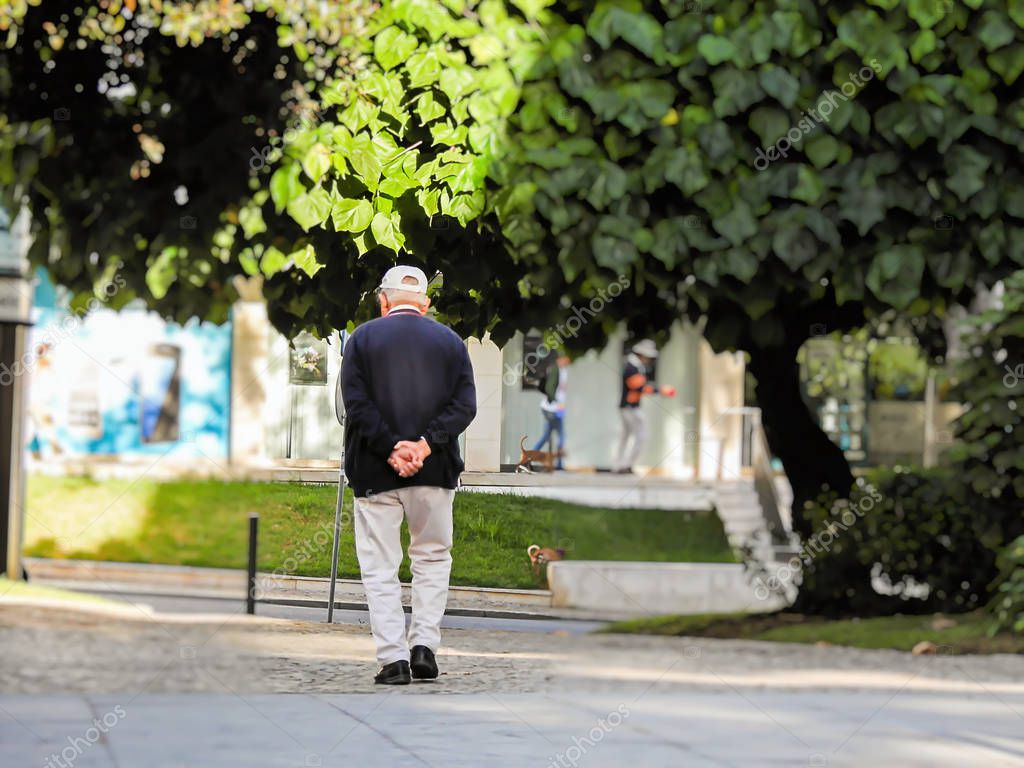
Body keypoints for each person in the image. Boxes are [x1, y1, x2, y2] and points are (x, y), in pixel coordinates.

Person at [341, 265, 477, 685]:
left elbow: (356, 405)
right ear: (426, 303)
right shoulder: (451, 342)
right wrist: (425, 445)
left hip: (374, 471)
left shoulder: (362, 339)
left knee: (380, 566)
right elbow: (464, 406)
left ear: (383, 301)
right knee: (432, 558)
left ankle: (393, 660)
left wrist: (390, 448)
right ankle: (424, 649)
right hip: (434, 471)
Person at [614, 339, 675, 474]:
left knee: (626, 436)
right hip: (630, 408)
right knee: (641, 435)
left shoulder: (635, 366)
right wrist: (661, 390)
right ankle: (626, 464)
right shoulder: (631, 367)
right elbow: (639, 387)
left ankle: (621, 464)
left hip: (629, 407)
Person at [532, 354, 569, 469]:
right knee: (560, 435)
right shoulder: (555, 370)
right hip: (552, 409)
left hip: (558, 408)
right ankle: (559, 464)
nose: (568, 360)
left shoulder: (563, 370)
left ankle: (529, 458)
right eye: (566, 358)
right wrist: (557, 401)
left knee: (547, 436)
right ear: (560, 359)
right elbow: (549, 388)